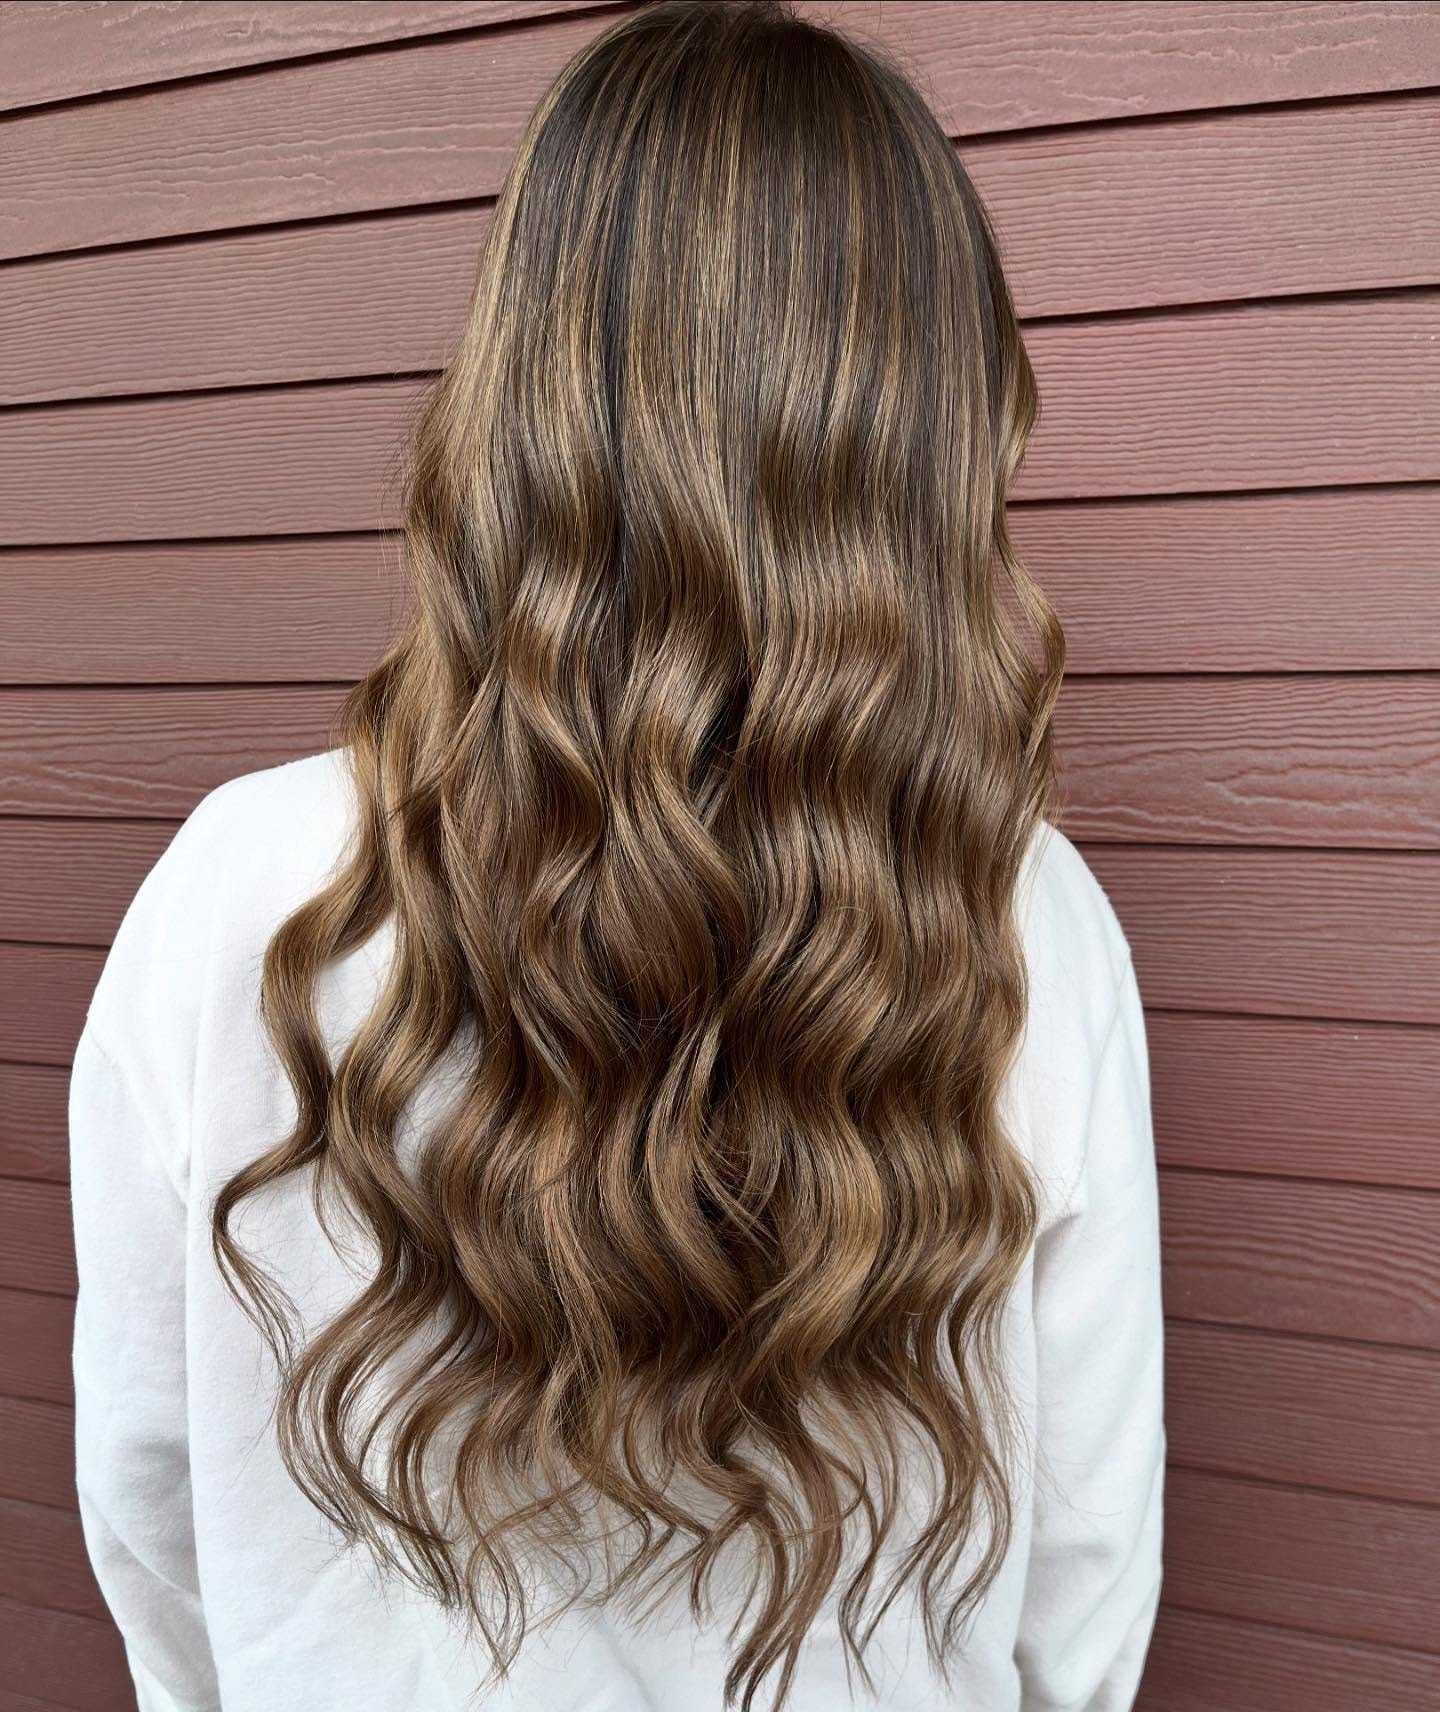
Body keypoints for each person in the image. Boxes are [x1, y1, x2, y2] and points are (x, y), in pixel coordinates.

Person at [68, 4, 1164, 1709]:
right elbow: (1082, 1576)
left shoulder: (239, 886)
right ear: (934, 427)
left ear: (519, 384)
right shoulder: (1024, 919)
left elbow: (152, 1492)